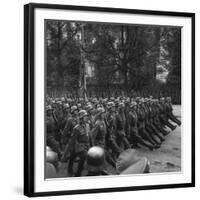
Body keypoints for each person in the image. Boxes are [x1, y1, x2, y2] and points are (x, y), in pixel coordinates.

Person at [66, 110, 90, 177]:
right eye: (85, 116)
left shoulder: (87, 125)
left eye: (87, 116)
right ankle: (76, 173)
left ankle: (77, 171)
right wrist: (73, 147)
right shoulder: (76, 128)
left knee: (74, 157)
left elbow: (88, 135)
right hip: (78, 145)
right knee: (76, 157)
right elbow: (73, 139)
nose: (87, 117)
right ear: (81, 118)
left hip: (85, 144)